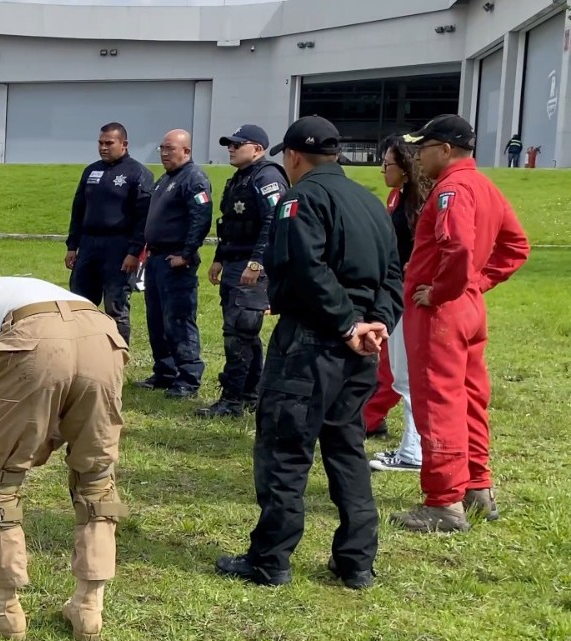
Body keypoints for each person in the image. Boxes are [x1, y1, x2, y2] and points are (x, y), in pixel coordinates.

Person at [215, 115, 402, 589]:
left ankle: (270, 558)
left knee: (284, 449)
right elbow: (394, 273)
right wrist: (376, 322)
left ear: (294, 156)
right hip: (361, 348)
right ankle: (357, 561)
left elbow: (305, 269)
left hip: (312, 341)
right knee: (346, 449)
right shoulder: (371, 202)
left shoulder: (302, 199)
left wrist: (346, 325)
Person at [0, 276, 129, 641]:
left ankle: (1, 608)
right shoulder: (2, 290)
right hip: (101, 334)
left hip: (33, 338)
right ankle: (89, 607)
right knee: (97, 478)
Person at [394, 115, 530, 532]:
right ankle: (477, 488)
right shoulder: (485, 186)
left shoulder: (451, 189)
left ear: (446, 150)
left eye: (425, 147)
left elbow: (457, 246)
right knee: (470, 396)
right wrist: (476, 284)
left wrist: (440, 291)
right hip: (467, 308)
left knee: (439, 401)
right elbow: (516, 246)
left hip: (440, 312)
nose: (418, 155)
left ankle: (443, 502)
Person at [198, 124, 289, 418]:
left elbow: (273, 221)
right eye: (229, 144)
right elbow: (229, 225)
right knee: (243, 331)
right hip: (235, 261)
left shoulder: (267, 177)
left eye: (238, 144)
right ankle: (250, 392)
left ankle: (233, 399)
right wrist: (219, 257)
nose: (231, 148)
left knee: (238, 332)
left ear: (258, 149)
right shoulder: (240, 179)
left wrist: (257, 262)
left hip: (251, 266)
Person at [363, 136, 431, 472]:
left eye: (387, 164)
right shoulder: (399, 196)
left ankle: (414, 450)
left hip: (412, 294)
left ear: (404, 166)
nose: (382, 170)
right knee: (400, 372)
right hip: (399, 292)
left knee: (406, 374)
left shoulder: (419, 200)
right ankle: (412, 446)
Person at [64, 122, 154, 343]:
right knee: (79, 302)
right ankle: (82, 349)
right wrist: (72, 246)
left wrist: (134, 252)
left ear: (124, 144)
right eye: (100, 143)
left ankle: (118, 355)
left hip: (119, 247)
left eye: (109, 143)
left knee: (115, 304)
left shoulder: (138, 173)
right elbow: (78, 210)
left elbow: (144, 218)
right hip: (88, 245)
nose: (103, 147)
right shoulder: (91, 171)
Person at [139, 129, 212, 398]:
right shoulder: (165, 180)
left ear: (187, 151)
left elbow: (201, 217)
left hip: (176, 261)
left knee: (178, 319)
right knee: (156, 319)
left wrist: (187, 252)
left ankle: (188, 377)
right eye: (162, 148)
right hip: (157, 259)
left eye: (171, 148)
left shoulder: (193, 178)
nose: (165, 153)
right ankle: (165, 371)